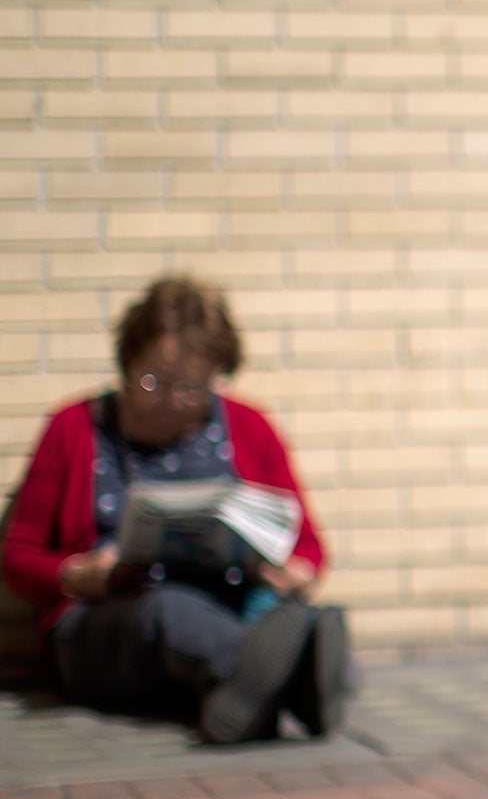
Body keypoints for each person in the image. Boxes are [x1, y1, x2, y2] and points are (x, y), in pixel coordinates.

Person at [1, 276, 352, 745]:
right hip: (109, 625)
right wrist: (76, 574)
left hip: (227, 601)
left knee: (277, 607)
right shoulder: (73, 428)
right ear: (126, 364)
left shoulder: (248, 426)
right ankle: (295, 686)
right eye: (154, 382)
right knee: (172, 610)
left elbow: (306, 544)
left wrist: (294, 572)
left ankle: (247, 698)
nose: (171, 400)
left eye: (192, 387)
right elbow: (17, 556)